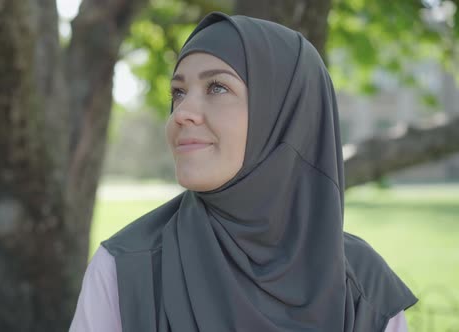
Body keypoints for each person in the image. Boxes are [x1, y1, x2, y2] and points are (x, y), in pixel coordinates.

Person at [70, 12, 418, 332]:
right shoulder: (126, 271)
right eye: (178, 92)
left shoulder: (363, 290)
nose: (181, 113)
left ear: (284, 116)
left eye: (217, 87)